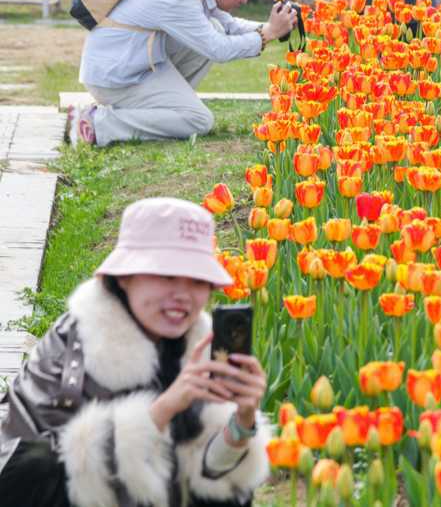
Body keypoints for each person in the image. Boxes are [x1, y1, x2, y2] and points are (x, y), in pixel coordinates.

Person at [0, 197, 271, 507]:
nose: (182, 295)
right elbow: (31, 482)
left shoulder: (199, 347)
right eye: (166, 276)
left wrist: (241, 423)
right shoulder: (76, 346)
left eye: (198, 281)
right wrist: (164, 410)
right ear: (124, 277)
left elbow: (208, 481)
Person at [68, 0, 297, 148]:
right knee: (198, 120)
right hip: (114, 77)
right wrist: (269, 33)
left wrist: (275, 25)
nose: (245, 1)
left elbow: (229, 26)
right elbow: (217, 49)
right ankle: (97, 123)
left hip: (129, 64)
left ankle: (160, 109)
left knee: (214, 27)